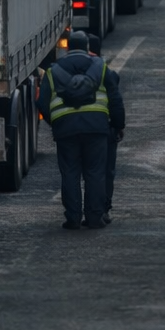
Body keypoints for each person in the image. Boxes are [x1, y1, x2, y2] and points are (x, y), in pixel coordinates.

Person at [38, 31, 112, 229]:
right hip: (96, 128)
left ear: (68, 48)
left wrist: (55, 122)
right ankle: (95, 217)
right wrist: (117, 124)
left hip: (66, 130)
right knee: (95, 173)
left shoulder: (53, 71)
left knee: (70, 173)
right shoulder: (99, 66)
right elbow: (115, 96)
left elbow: (42, 102)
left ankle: (73, 218)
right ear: (88, 47)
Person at [88, 33, 126, 224]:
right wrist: (118, 127)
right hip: (103, 130)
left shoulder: (63, 69)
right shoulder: (105, 72)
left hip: (72, 129)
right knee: (104, 171)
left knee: (77, 172)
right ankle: (101, 210)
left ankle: (76, 214)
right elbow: (116, 101)